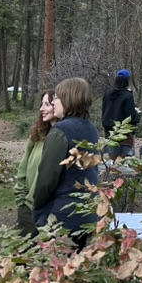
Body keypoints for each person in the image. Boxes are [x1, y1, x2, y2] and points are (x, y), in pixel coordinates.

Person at [34, 77, 100, 250]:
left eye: (56, 98)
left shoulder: (60, 132)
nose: (54, 102)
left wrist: (37, 207)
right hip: (86, 212)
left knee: (54, 271)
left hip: (61, 217)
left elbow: (46, 179)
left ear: (68, 100)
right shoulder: (91, 128)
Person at [12, 90, 55, 237]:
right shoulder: (37, 135)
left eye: (47, 104)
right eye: (41, 104)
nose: (42, 109)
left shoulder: (64, 138)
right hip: (28, 209)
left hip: (52, 214)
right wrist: (21, 202)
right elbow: (22, 169)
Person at [100, 69, 140, 151]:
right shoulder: (128, 96)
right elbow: (130, 116)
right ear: (128, 80)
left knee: (112, 153)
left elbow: (104, 110)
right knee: (125, 153)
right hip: (123, 130)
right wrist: (137, 114)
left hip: (108, 128)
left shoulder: (107, 93)